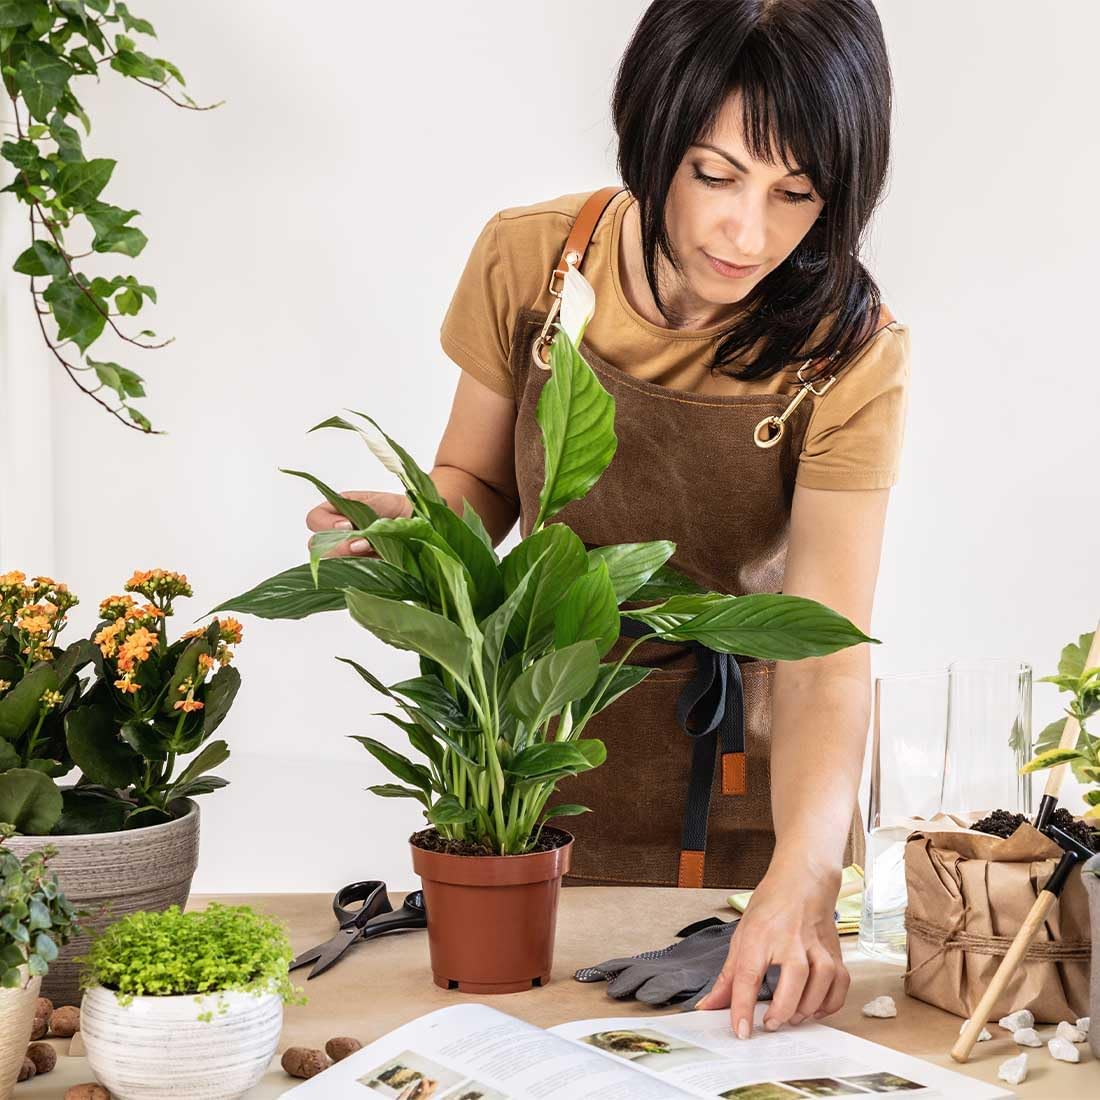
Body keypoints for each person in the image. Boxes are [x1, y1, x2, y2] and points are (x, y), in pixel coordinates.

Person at [306, 0, 909, 1038]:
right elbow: (478, 479)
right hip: (539, 766)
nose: (746, 231)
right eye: (713, 173)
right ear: (651, 126)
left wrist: (801, 875)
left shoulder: (846, 349)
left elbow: (819, 649)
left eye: (794, 191)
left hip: (748, 797)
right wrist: (419, 528)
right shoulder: (532, 262)